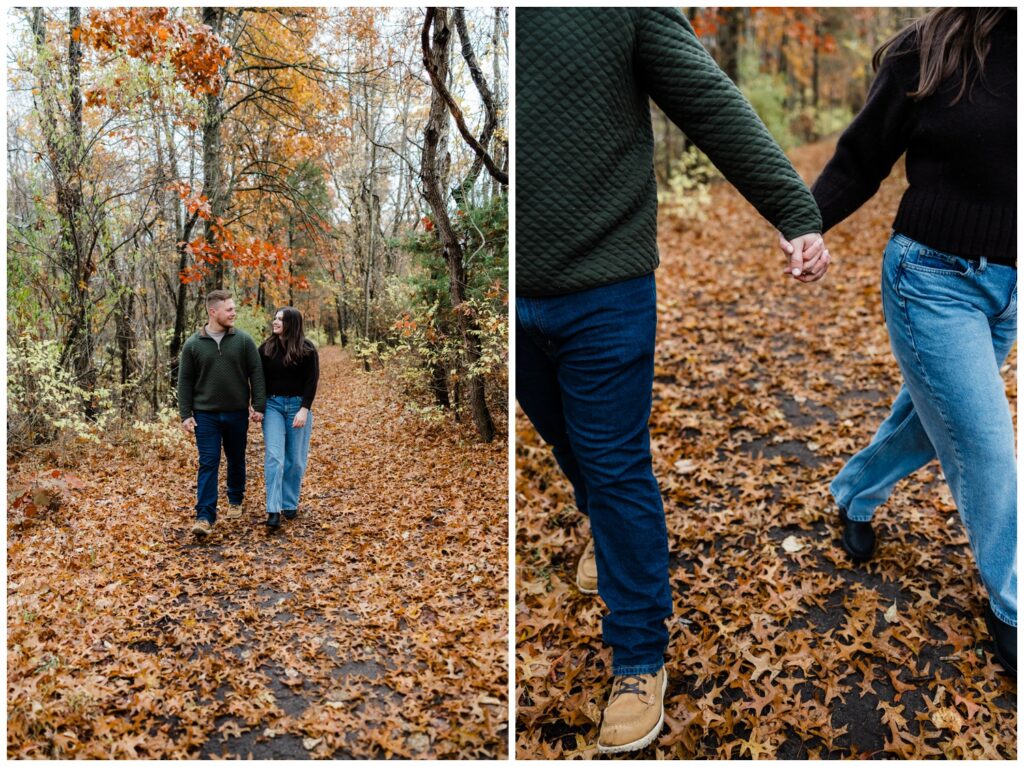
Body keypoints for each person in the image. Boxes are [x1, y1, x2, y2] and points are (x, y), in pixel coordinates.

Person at [517, 8, 829, 754]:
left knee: (616, 460)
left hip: (608, 283)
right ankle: (604, 523)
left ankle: (637, 657)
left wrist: (793, 209)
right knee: (565, 438)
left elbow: (707, 97)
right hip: (514, 292)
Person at [780, 8, 1016, 674]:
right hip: (932, 281)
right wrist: (805, 224)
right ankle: (1013, 606)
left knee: (927, 419)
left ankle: (854, 490)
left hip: (1010, 284)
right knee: (988, 444)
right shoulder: (927, 50)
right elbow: (860, 159)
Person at [178, 290, 266, 538]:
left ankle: (235, 498)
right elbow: (184, 381)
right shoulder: (193, 345)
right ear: (212, 312)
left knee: (236, 458)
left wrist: (258, 405)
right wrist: (185, 414)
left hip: (236, 413)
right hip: (205, 415)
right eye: (229, 309)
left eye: (233, 308)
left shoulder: (244, 341)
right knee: (209, 462)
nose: (233, 313)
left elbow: (256, 374)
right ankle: (204, 516)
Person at [258, 307, 319, 531]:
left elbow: (312, 381)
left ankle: (289, 503)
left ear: (291, 323)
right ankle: (273, 509)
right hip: (272, 405)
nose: (275, 322)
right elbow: (258, 379)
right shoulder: (266, 349)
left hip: (297, 406)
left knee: (295, 460)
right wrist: (256, 406)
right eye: (274, 317)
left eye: (280, 319)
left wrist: (304, 409)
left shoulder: (307, 349)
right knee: (275, 456)